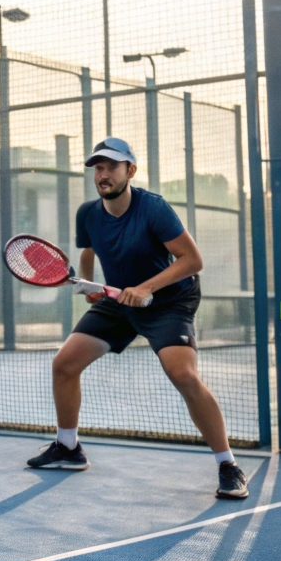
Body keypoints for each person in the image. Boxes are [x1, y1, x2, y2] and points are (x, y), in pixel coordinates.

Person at [31, 137, 248, 500]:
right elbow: (88, 252)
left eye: (111, 167)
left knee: (183, 374)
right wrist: (90, 287)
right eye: (98, 168)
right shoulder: (88, 213)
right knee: (64, 364)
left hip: (169, 300)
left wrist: (146, 288)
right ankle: (68, 448)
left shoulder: (154, 209)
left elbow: (192, 261)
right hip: (118, 299)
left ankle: (228, 465)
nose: (103, 174)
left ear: (130, 171)